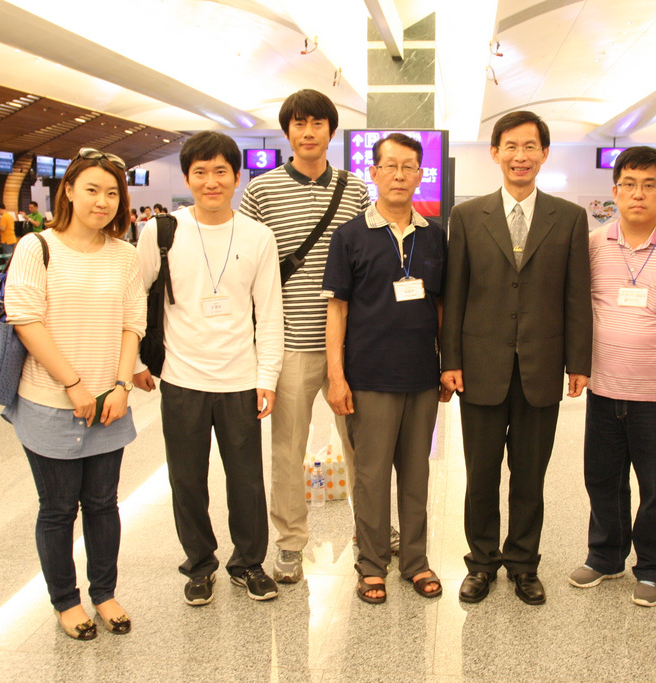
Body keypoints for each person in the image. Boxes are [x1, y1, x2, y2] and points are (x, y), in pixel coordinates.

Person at [442, 110, 592, 606]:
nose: (520, 156)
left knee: (530, 477)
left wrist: (579, 362)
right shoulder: (467, 217)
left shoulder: (569, 217)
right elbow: (455, 293)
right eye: (510, 146)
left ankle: (524, 564)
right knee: (481, 475)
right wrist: (450, 359)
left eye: (530, 146)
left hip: (541, 369)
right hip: (480, 368)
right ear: (495, 153)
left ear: (544, 154)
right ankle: (481, 563)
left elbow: (576, 295)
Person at [134, 131, 284, 605]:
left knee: (247, 481)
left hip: (240, 379)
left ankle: (249, 563)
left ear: (237, 178)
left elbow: (270, 313)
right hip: (182, 380)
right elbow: (135, 297)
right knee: (186, 481)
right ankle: (199, 564)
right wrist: (136, 361)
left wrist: (267, 378)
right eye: (200, 172)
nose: (211, 181)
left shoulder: (258, 236)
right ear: (187, 178)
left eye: (221, 171)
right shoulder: (161, 232)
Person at [3, 148, 146, 641]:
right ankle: (66, 601)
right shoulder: (37, 247)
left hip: (109, 404)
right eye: (91, 190)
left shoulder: (125, 255)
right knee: (59, 508)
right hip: (48, 401)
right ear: (67, 190)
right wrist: (72, 384)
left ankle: (104, 593)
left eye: (112, 194)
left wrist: (121, 385)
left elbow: (133, 323)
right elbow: (26, 320)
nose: (102, 201)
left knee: (103, 503)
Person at [239, 89, 370, 584]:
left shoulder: (355, 189)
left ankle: (373, 531)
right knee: (286, 450)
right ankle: (291, 542)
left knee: (362, 446)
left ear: (331, 132)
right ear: (287, 131)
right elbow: (245, 267)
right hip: (289, 342)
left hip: (350, 345)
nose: (308, 132)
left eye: (317, 123)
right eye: (298, 123)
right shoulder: (261, 191)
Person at [570, 146, 656, 608]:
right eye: (629, 184)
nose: (638, 194)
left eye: (649, 185)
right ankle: (605, 555)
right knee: (602, 478)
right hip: (605, 387)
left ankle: (652, 567)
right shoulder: (594, 245)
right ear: (615, 191)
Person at [323, 133, 446, 604]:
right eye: (389, 166)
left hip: (420, 377)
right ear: (373, 173)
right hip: (369, 377)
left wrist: (444, 365)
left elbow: (440, 305)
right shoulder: (350, 235)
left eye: (408, 166)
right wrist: (337, 377)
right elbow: (337, 309)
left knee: (416, 475)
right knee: (371, 477)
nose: (399, 175)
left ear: (420, 175)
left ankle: (415, 560)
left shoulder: (434, 234)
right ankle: (372, 564)